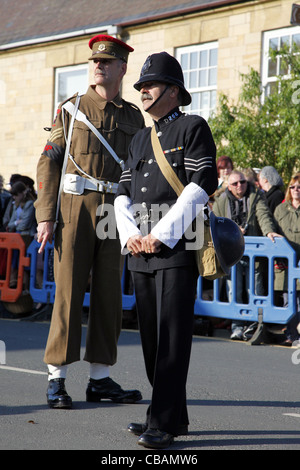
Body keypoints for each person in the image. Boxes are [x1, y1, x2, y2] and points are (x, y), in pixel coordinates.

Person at [35, 35, 145, 409]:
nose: (99, 65)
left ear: (122, 69)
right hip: (74, 209)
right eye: (95, 61)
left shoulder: (133, 117)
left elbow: (141, 170)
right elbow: (49, 160)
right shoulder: (72, 108)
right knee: (67, 291)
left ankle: (99, 378)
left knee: (109, 295)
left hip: (115, 211)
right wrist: (45, 215)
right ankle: (57, 377)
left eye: (107, 62)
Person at [114, 51, 218, 449]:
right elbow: (122, 192)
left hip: (175, 248)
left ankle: (160, 422)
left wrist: (161, 233)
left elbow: (201, 182)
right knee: (152, 340)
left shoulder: (193, 127)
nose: (142, 91)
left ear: (173, 92)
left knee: (173, 338)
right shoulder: (140, 138)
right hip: (140, 250)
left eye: (150, 85)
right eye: (140, 86)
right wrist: (130, 237)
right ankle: (174, 417)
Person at [213, 170, 282, 340]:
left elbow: (263, 216)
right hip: (231, 255)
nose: (240, 186)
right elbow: (215, 224)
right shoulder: (221, 201)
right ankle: (236, 327)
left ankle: (254, 326)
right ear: (229, 186)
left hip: (253, 254)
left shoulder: (256, 196)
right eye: (235, 183)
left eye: (242, 182)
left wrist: (269, 232)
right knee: (233, 292)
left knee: (255, 291)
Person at [273, 172, 300, 345]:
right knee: (288, 302)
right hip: (286, 264)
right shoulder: (281, 209)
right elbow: (273, 231)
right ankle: (291, 335)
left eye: (299, 187)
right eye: (293, 187)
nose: (296, 190)